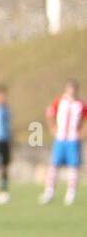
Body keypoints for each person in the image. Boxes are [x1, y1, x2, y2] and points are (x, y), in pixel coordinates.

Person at [40, 78, 83, 206]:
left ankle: (71, 194)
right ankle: (49, 192)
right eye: (70, 88)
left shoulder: (80, 104)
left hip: (73, 139)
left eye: (74, 89)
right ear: (66, 89)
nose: (72, 91)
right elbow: (50, 114)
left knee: (73, 167)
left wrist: (82, 133)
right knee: (54, 166)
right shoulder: (59, 102)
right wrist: (52, 127)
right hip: (60, 139)